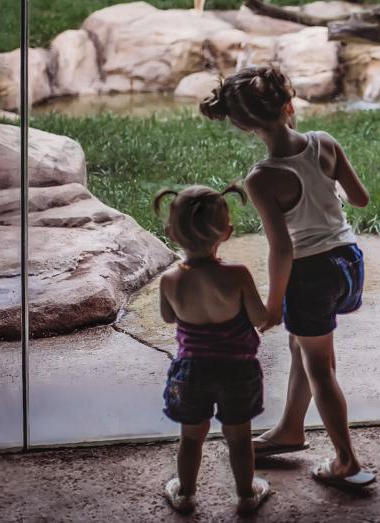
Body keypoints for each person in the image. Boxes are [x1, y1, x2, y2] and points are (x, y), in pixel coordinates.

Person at [200, 66, 376, 488]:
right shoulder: (325, 143)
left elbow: (281, 249)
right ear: (288, 104)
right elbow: (360, 198)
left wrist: (274, 303)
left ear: (243, 125)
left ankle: (346, 461)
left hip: (311, 273)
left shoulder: (262, 178)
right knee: (303, 345)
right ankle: (291, 429)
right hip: (349, 262)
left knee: (320, 365)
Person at [154, 184, 272, 514]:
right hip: (238, 371)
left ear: (170, 233)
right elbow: (260, 318)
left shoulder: (169, 279)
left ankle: (186, 494)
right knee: (239, 438)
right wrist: (276, 306)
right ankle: (247, 495)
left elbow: (167, 317)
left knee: (191, 437)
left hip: (192, 371)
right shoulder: (237, 275)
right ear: (227, 232)